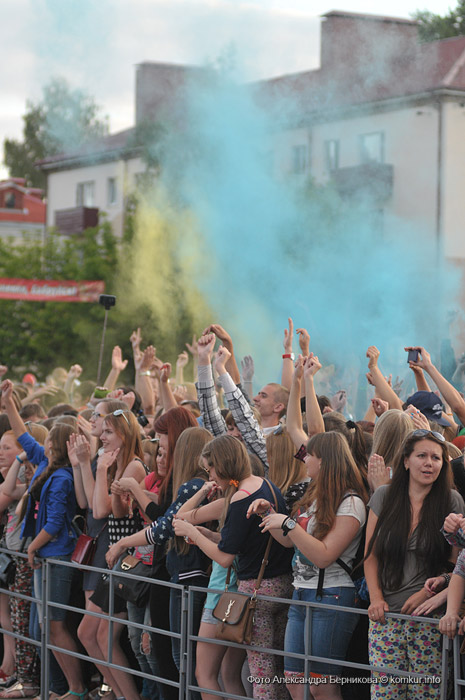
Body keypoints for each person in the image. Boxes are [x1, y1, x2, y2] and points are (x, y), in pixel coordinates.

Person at [248, 431, 367, 700]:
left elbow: (324, 556)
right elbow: (291, 543)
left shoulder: (351, 502)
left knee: (321, 686)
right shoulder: (313, 496)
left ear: (324, 460)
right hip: (301, 593)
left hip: (332, 596)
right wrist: (268, 514)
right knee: (295, 683)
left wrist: (288, 523)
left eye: (308, 454)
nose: (304, 459)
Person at [173, 435, 293, 700]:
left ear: (223, 464)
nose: (210, 474)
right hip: (282, 585)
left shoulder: (240, 498)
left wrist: (194, 532)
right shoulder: (267, 485)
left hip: (257, 591)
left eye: (211, 468)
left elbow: (225, 558)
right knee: (276, 671)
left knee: (261, 676)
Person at [1, 379, 88, 700]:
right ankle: (55, 687)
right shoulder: (44, 465)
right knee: (41, 628)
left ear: (60, 445)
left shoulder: (62, 476)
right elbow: (24, 434)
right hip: (43, 556)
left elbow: (53, 524)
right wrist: (8, 402)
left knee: (54, 625)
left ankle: (76, 689)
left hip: (56, 556)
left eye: (51, 438)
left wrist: (33, 548)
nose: (45, 441)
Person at [364, 429, 464, 699]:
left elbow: (456, 567)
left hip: (430, 620)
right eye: (422, 456)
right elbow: (370, 556)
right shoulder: (384, 496)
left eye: (436, 457)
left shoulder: (452, 501)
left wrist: (426, 593)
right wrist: (375, 599)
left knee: (427, 695)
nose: (429, 463)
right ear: (406, 461)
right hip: (386, 618)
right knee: (386, 695)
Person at [86, 409, 146, 700]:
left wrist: (104, 473)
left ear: (125, 434)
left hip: (129, 562)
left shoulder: (134, 467)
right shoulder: (114, 465)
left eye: (109, 432)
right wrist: (100, 470)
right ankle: (121, 695)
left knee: (104, 637)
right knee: (89, 635)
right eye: (103, 431)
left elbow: (111, 510)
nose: (102, 437)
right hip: (114, 562)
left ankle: (128, 697)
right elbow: (98, 511)